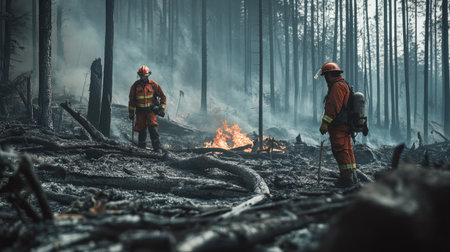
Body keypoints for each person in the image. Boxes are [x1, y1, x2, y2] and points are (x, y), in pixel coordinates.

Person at [318, 62, 357, 187]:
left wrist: (325, 123)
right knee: (347, 150)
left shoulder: (337, 87)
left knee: (341, 150)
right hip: (344, 125)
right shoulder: (341, 84)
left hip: (339, 126)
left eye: (325, 76)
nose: (325, 79)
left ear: (330, 75)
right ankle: (351, 176)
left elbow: (333, 107)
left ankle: (347, 180)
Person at [128, 65, 166, 152]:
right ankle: (141, 149)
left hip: (151, 112)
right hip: (140, 112)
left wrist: (162, 108)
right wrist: (131, 113)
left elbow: (163, 97)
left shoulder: (153, 85)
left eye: (145, 76)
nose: (143, 78)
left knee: (153, 129)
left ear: (148, 75)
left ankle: (157, 148)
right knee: (141, 130)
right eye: (142, 76)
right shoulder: (135, 86)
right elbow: (131, 101)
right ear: (139, 75)